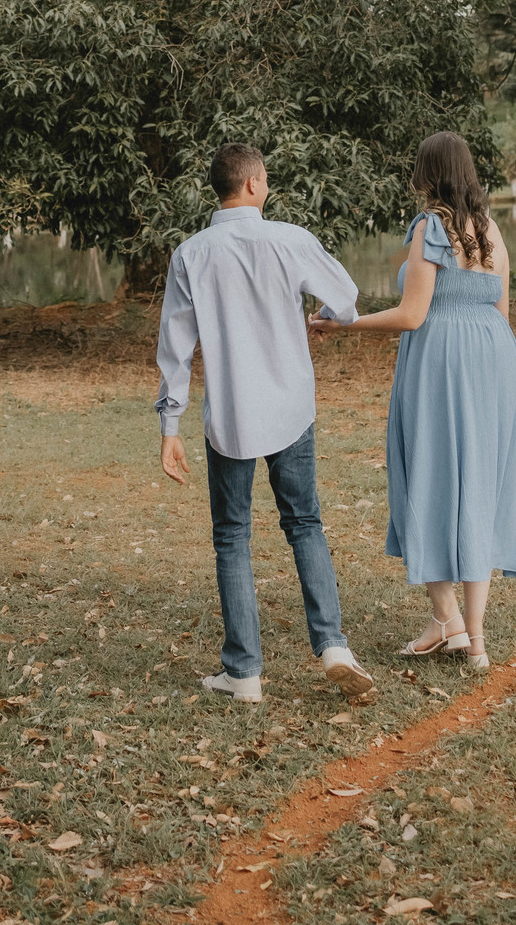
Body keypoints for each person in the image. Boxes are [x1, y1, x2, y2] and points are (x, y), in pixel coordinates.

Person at [155, 142, 376, 703]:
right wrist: (326, 318)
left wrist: (170, 426)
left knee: (232, 535)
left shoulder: (190, 254)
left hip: (230, 413)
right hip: (289, 407)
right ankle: (333, 646)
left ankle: (244, 673)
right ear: (253, 184)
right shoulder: (290, 239)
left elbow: (175, 348)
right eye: (267, 178)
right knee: (304, 522)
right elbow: (347, 300)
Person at [315, 131, 516, 669]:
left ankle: (447, 619)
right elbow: (501, 310)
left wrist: (344, 324)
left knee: (429, 475)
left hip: (441, 361)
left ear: (427, 174)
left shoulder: (430, 226)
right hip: (495, 360)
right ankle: (474, 639)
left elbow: (412, 314)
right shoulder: (490, 230)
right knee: (479, 484)